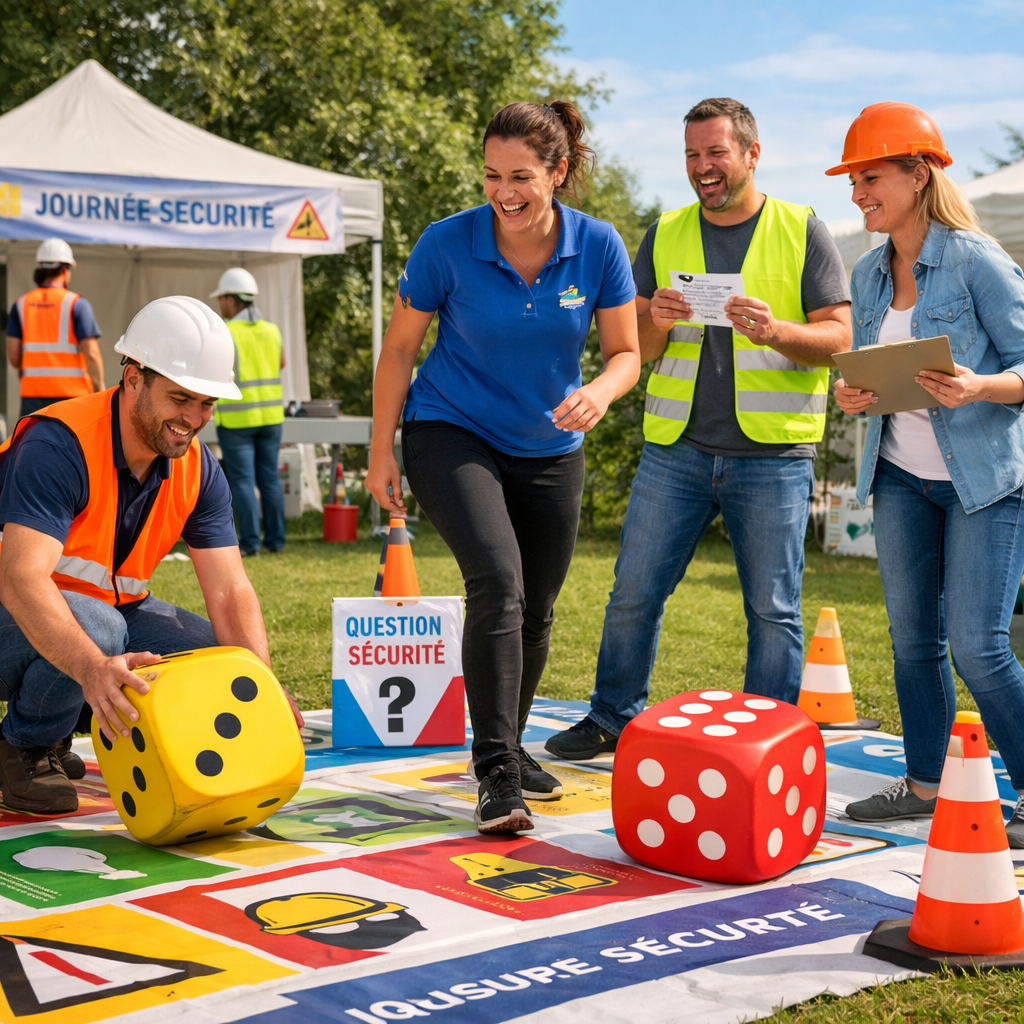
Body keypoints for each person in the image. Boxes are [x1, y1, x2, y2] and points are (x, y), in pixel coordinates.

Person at [545, 97, 853, 761]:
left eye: (715, 152)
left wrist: (777, 331)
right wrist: (653, 317)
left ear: (752, 154)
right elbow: (635, 348)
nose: (702, 166)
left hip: (774, 455)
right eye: (691, 154)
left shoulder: (802, 228)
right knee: (633, 594)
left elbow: (840, 338)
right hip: (676, 450)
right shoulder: (664, 231)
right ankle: (611, 717)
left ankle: (767, 741)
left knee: (773, 609)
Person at [366, 100, 640, 833]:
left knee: (538, 608)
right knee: (498, 582)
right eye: (491, 175)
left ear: (558, 171)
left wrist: (600, 393)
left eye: (521, 176)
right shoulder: (445, 243)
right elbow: (400, 351)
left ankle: (508, 745)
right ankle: (496, 772)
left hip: (551, 445)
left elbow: (625, 353)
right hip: (450, 429)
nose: (504, 192)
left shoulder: (598, 245)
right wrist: (380, 450)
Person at [0, 295, 303, 815]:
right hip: (18, 611)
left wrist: (262, 686)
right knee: (101, 631)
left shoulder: (198, 468)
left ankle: (64, 718)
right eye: (180, 397)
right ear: (133, 379)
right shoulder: (60, 444)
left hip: (104, 615)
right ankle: (25, 745)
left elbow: (230, 591)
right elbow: (21, 580)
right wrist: (94, 668)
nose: (193, 418)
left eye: (206, 403)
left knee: (220, 662)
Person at [830, 103, 1024, 847]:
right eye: (853, 182)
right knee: (913, 642)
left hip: (984, 483)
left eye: (870, 178)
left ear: (918, 174)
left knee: (979, 647)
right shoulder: (867, 272)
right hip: (900, 477)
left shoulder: (977, 260)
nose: (858, 194)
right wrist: (851, 394)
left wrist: (979, 386)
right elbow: (872, 369)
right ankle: (925, 785)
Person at [211, 268, 287, 557]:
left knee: (242, 481)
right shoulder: (273, 330)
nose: (220, 304)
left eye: (221, 299)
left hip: (237, 418)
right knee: (269, 478)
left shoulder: (227, 332)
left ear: (231, 300)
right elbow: (281, 363)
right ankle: (276, 541)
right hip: (271, 418)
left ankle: (251, 543)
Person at [6, 238, 104, 419]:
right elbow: (91, 354)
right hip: (72, 397)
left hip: (32, 395)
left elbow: (13, 357)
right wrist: (99, 388)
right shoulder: (77, 304)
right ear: (66, 270)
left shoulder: (20, 304)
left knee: (33, 438)